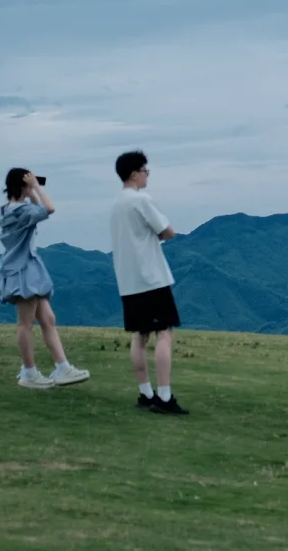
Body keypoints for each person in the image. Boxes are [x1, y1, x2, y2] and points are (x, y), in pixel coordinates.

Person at [109, 150, 188, 415]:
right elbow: (167, 231)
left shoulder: (117, 204)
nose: (147, 176)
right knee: (164, 333)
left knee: (139, 335)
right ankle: (164, 396)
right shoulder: (141, 200)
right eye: (145, 171)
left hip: (128, 279)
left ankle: (146, 392)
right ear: (135, 173)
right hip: (150, 278)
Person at [0, 167, 88, 389]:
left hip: (25, 268)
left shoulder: (10, 209)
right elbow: (48, 209)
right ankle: (29, 372)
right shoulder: (21, 212)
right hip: (24, 270)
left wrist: (32, 188)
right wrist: (35, 187)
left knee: (48, 319)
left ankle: (63, 367)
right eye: (29, 182)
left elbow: (38, 209)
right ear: (23, 185)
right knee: (25, 323)